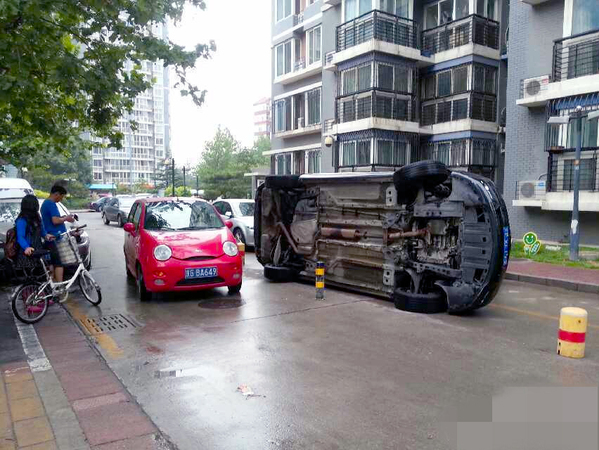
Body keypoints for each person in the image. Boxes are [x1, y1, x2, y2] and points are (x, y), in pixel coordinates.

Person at [40, 185, 75, 282]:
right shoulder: (51, 204)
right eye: (62, 196)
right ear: (57, 194)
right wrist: (66, 218)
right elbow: (55, 220)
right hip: (54, 237)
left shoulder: (46, 203)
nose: (61, 199)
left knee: (53, 262)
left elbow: (55, 218)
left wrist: (63, 217)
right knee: (59, 263)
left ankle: (52, 283)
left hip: (50, 236)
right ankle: (59, 286)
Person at [15, 195, 54, 269]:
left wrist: (47, 236)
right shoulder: (22, 220)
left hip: (39, 251)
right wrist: (26, 247)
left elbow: (43, 232)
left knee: (47, 271)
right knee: (32, 276)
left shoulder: (37, 217)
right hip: (28, 253)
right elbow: (20, 237)